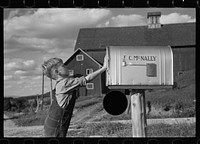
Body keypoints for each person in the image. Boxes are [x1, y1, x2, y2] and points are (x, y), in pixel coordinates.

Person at [42, 55, 107, 137]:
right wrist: (103, 68)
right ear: (57, 72)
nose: (66, 66)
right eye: (63, 66)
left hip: (51, 124)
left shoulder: (61, 84)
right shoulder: (64, 84)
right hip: (56, 127)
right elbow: (87, 79)